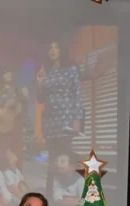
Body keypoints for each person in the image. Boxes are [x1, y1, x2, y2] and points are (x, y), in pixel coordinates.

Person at [35, 41, 83, 191]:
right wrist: (40, 82)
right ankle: (51, 195)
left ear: (62, 49)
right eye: (50, 47)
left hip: (66, 119)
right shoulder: (48, 72)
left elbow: (77, 94)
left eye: (56, 47)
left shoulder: (71, 69)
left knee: (65, 158)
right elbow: (41, 99)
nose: (53, 50)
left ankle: (71, 193)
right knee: (52, 160)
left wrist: (77, 118)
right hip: (50, 121)